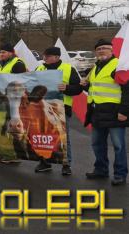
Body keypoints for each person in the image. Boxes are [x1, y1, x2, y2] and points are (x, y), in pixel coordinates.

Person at [82, 39, 129, 185]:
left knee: (118, 146)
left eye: (105, 48)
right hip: (97, 113)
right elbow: (95, 89)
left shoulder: (118, 65)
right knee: (97, 144)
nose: (101, 51)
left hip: (115, 113)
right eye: (98, 49)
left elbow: (126, 90)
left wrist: (124, 111)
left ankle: (120, 174)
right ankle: (101, 170)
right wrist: (86, 85)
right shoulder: (95, 67)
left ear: (111, 50)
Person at [35, 47, 82, 175]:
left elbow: (78, 89)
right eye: (44, 55)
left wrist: (66, 88)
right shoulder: (39, 68)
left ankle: (66, 165)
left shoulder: (68, 68)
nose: (44, 58)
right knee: (44, 137)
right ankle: (45, 162)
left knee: (63, 138)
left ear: (56, 57)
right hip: (43, 108)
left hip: (62, 108)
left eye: (47, 56)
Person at [0, 43, 27, 164]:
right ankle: (7, 152)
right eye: (1, 52)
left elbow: (19, 81)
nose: (1, 54)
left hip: (14, 101)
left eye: (4, 52)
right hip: (4, 100)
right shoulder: (4, 64)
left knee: (12, 127)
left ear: (11, 53)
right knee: (2, 126)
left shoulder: (18, 64)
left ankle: (15, 155)